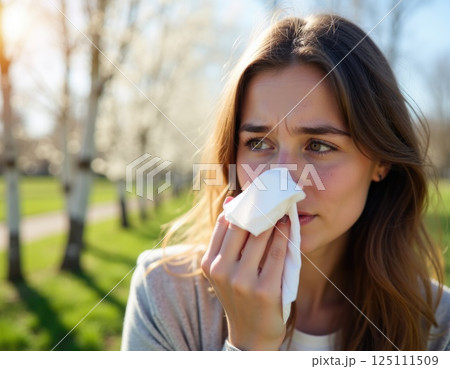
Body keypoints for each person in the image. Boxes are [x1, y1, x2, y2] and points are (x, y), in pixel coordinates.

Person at [121, 14, 450, 351]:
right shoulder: (165, 294)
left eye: (319, 146)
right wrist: (250, 347)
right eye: (259, 144)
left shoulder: (438, 323)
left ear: (381, 162)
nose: (284, 180)